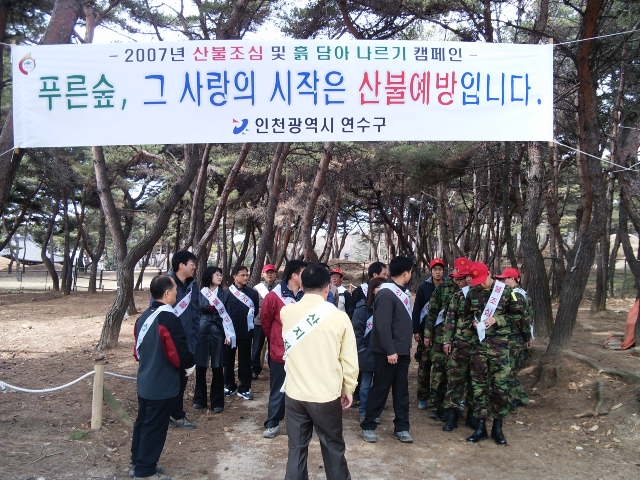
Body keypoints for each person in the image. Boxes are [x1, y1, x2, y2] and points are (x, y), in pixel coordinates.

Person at [281, 263, 358, 480]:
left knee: (296, 449)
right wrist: (349, 387)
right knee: (333, 448)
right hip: (325, 395)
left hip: (295, 394)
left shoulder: (287, 312)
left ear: (302, 284)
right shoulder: (339, 317)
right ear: (328, 287)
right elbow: (349, 359)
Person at [131, 275, 194, 480]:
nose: (177, 293)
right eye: (175, 290)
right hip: (162, 382)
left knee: (143, 423)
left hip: (145, 380)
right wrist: (188, 365)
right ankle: (145, 471)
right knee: (155, 427)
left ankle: (138, 461)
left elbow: (137, 352)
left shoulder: (142, 318)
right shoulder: (168, 317)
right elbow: (177, 351)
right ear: (167, 293)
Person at [466, 262, 525, 445]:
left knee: (500, 388)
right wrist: (472, 323)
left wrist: (497, 319)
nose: (480, 283)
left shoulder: (506, 292)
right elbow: (466, 315)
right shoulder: (473, 292)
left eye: (482, 280)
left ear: (490, 274)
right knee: (479, 388)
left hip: (500, 347)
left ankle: (498, 428)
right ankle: (481, 427)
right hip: (479, 347)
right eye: (477, 281)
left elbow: (518, 317)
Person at [361, 256, 414, 444]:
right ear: (406, 273)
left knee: (401, 392)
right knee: (380, 389)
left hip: (402, 352)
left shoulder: (403, 292)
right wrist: (391, 350)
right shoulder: (386, 293)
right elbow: (382, 326)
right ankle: (368, 425)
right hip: (387, 353)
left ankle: (402, 427)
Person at [261, 259, 306, 438]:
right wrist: (275, 339)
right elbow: (266, 321)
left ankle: (302, 423)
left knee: (303, 388)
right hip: (281, 351)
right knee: (279, 387)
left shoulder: (307, 295)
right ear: (294, 275)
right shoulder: (274, 296)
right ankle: (273, 422)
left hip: (303, 352)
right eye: (303, 272)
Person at [423, 257, 469, 421]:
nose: (461, 279)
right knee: (438, 372)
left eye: (464, 277)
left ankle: (453, 406)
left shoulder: (472, 290)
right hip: (440, 336)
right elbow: (432, 313)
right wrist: (428, 334)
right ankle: (435, 406)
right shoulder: (443, 288)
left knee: (456, 374)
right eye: (459, 275)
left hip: (462, 339)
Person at [167, 250, 200, 429]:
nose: (195, 267)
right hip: (169, 341)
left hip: (188, 341)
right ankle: (170, 413)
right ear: (181, 265)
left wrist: (195, 337)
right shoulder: (166, 283)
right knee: (168, 378)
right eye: (191, 263)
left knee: (182, 378)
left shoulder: (193, 285)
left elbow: (195, 312)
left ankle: (176, 413)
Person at [441, 263, 475, 431]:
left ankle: (472, 416)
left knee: (475, 382)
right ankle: (451, 416)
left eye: (466, 278)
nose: (464, 281)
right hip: (459, 345)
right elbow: (449, 319)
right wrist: (447, 341)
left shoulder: (484, 296)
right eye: (462, 278)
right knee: (455, 380)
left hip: (478, 347)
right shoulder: (458, 296)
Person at [193, 266, 231, 413]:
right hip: (201, 332)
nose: (220, 277)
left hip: (218, 333)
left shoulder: (225, 294)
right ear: (209, 276)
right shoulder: (200, 292)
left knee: (217, 367)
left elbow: (228, 315)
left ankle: (217, 402)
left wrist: (228, 334)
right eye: (217, 274)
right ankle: (199, 399)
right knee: (201, 366)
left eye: (221, 275)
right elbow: (195, 312)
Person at [495, 266, 532, 407]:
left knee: (508, 371)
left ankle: (516, 399)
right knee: (510, 370)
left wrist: (527, 336)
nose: (503, 281)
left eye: (505, 278)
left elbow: (522, 319)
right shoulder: (522, 293)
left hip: (514, 338)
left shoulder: (515, 295)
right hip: (518, 337)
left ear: (513, 279)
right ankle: (517, 398)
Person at [412, 258, 445, 410]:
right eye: (435, 269)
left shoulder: (447, 286)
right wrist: (416, 330)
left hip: (442, 332)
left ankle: (436, 397)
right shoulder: (424, 287)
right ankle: (423, 396)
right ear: (431, 271)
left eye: (440, 269)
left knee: (439, 366)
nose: (438, 272)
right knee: (424, 364)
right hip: (425, 330)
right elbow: (417, 309)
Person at [352, 276, 386, 422]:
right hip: (366, 352)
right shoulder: (362, 309)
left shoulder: (387, 307)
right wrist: (361, 351)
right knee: (366, 384)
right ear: (372, 290)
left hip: (383, 352)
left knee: (379, 385)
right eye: (380, 288)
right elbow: (357, 332)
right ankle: (364, 411)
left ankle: (374, 412)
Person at [223, 265, 259, 400]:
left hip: (246, 332)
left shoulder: (252, 293)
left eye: (247, 275)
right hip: (229, 333)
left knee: (245, 360)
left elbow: (255, 311)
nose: (246, 277)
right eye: (242, 275)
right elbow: (222, 313)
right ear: (234, 276)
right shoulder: (226, 293)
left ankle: (244, 387)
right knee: (228, 360)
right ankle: (229, 385)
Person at [252, 264, 278, 379]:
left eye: (272, 272)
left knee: (274, 347)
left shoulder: (280, 287)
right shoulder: (257, 288)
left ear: (275, 274)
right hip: (259, 322)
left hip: (275, 322)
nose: (270, 274)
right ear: (263, 274)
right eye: (268, 272)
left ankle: (274, 369)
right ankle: (255, 370)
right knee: (257, 347)